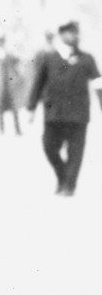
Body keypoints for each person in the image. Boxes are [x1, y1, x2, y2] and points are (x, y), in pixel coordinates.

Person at [24, 20, 101, 196]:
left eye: (76, 32)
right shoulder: (49, 58)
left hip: (78, 115)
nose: (74, 36)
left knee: (76, 152)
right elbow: (38, 83)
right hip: (54, 114)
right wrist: (31, 108)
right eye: (70, 32)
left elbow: (99, 83)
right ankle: (62, 177)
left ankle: (69, 186)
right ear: (61, 35)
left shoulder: (87, 59)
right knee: (49, 147)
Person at [0, 35, 22, 135]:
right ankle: (2, 130)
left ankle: (17, 130)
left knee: (13, 107)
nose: (1, 42)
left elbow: (15, 61)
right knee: (2, 108)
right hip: (2, 84)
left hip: (9, 83)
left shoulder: (7, 52)